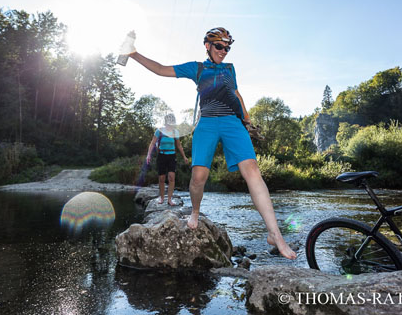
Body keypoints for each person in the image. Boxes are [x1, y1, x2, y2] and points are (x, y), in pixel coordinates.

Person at [127, 27, 297, 259]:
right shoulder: (197, 68)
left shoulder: (229, 68)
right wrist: (133, 54)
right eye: (219, 46)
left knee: (253, 172)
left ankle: (275, 234)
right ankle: (195, 212)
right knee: (198, 178)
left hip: (232, 122)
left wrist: (247, 121)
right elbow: (160, 69)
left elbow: (236, 94)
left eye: (227, 47)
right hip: (207, 123)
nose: (224, 51)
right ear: (207, 45)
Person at [146, 113, 189, 205]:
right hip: (161, 156)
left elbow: (179, 145)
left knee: (171, 177)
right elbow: (152, 143)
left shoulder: (175, 132)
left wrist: (184, 156)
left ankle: (170, 199)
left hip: (172, 156)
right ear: (166, 121)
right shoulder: (159, 131)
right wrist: (148, 155)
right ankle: (161, 198)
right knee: (161, 178)